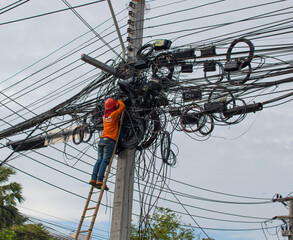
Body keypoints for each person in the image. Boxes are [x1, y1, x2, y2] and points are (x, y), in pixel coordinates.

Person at [89, 98, 125, 190]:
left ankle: (93, 179)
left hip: (101, 141)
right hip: (109, 141)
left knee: (99, 160)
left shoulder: (104, 116)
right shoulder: (114, 115)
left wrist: (114, 105)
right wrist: (119, 101)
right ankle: (100, 181)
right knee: (105, 161)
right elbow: (122, 107)